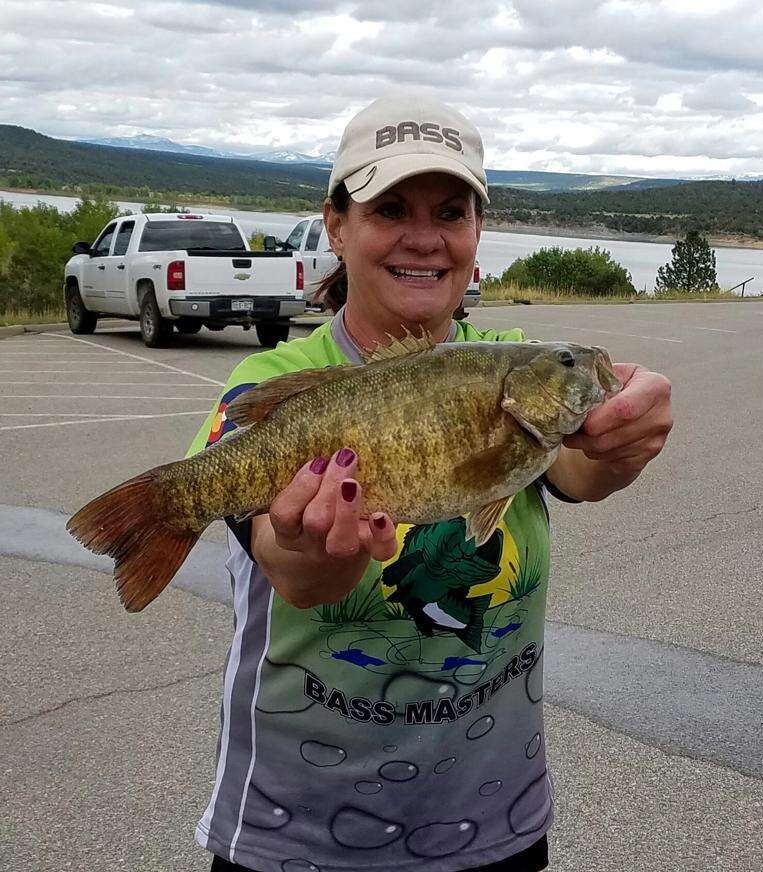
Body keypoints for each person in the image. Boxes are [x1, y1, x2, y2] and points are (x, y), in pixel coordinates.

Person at [186, 96, 673, 872]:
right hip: (303, 836)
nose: (424, 237)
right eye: (389, 208)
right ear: (337, 226)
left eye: (451, 211)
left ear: (478, 235)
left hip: (495, 823)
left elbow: (582, 466)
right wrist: (326, 555)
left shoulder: (511, 362)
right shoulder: (266, 385)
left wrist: (624, 440)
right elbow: (294, 568)